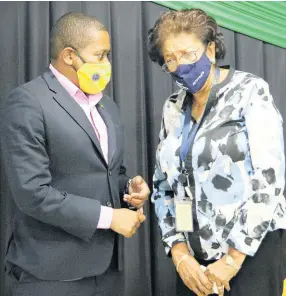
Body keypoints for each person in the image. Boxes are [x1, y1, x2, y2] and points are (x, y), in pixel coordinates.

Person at [0, 12, 150, 296]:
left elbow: (109, 173)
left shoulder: (107, 106)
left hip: (106, 271)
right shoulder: (28, 102)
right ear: (69, 55)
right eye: (100, 55)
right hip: (50, 275)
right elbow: (32, 193)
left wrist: (129, 188)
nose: (108, 65)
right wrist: (111, 218)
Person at [148, 8, 286, 296]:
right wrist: (179, 253)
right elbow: (162, 186)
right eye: (170, 59)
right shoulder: (172, 107)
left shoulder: (250, 91)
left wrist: (232, 260)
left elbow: (269, 179)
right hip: (193, 263)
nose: (179, 65)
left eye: (187, 54)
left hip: (251, 255)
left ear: (210, 49)